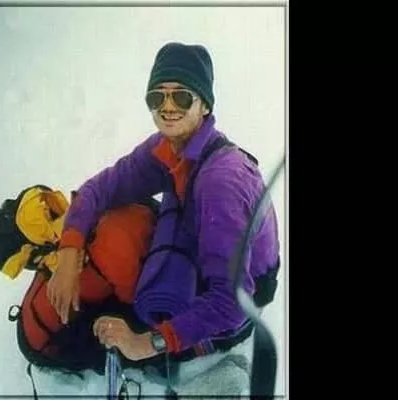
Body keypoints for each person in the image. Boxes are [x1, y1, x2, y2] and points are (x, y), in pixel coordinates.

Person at [46, 42, 280, 369]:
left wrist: (145, 343)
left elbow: (231, 303)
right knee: (117, 220)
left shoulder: (221, 183)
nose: (167, 107)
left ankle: (216, 374)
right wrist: (68, 255)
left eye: (182, 97)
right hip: (202, 242)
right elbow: (99, 189)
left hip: (238, 305)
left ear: (205, 106)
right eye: (157, 98)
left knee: (89, 341)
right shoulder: (169, 147)